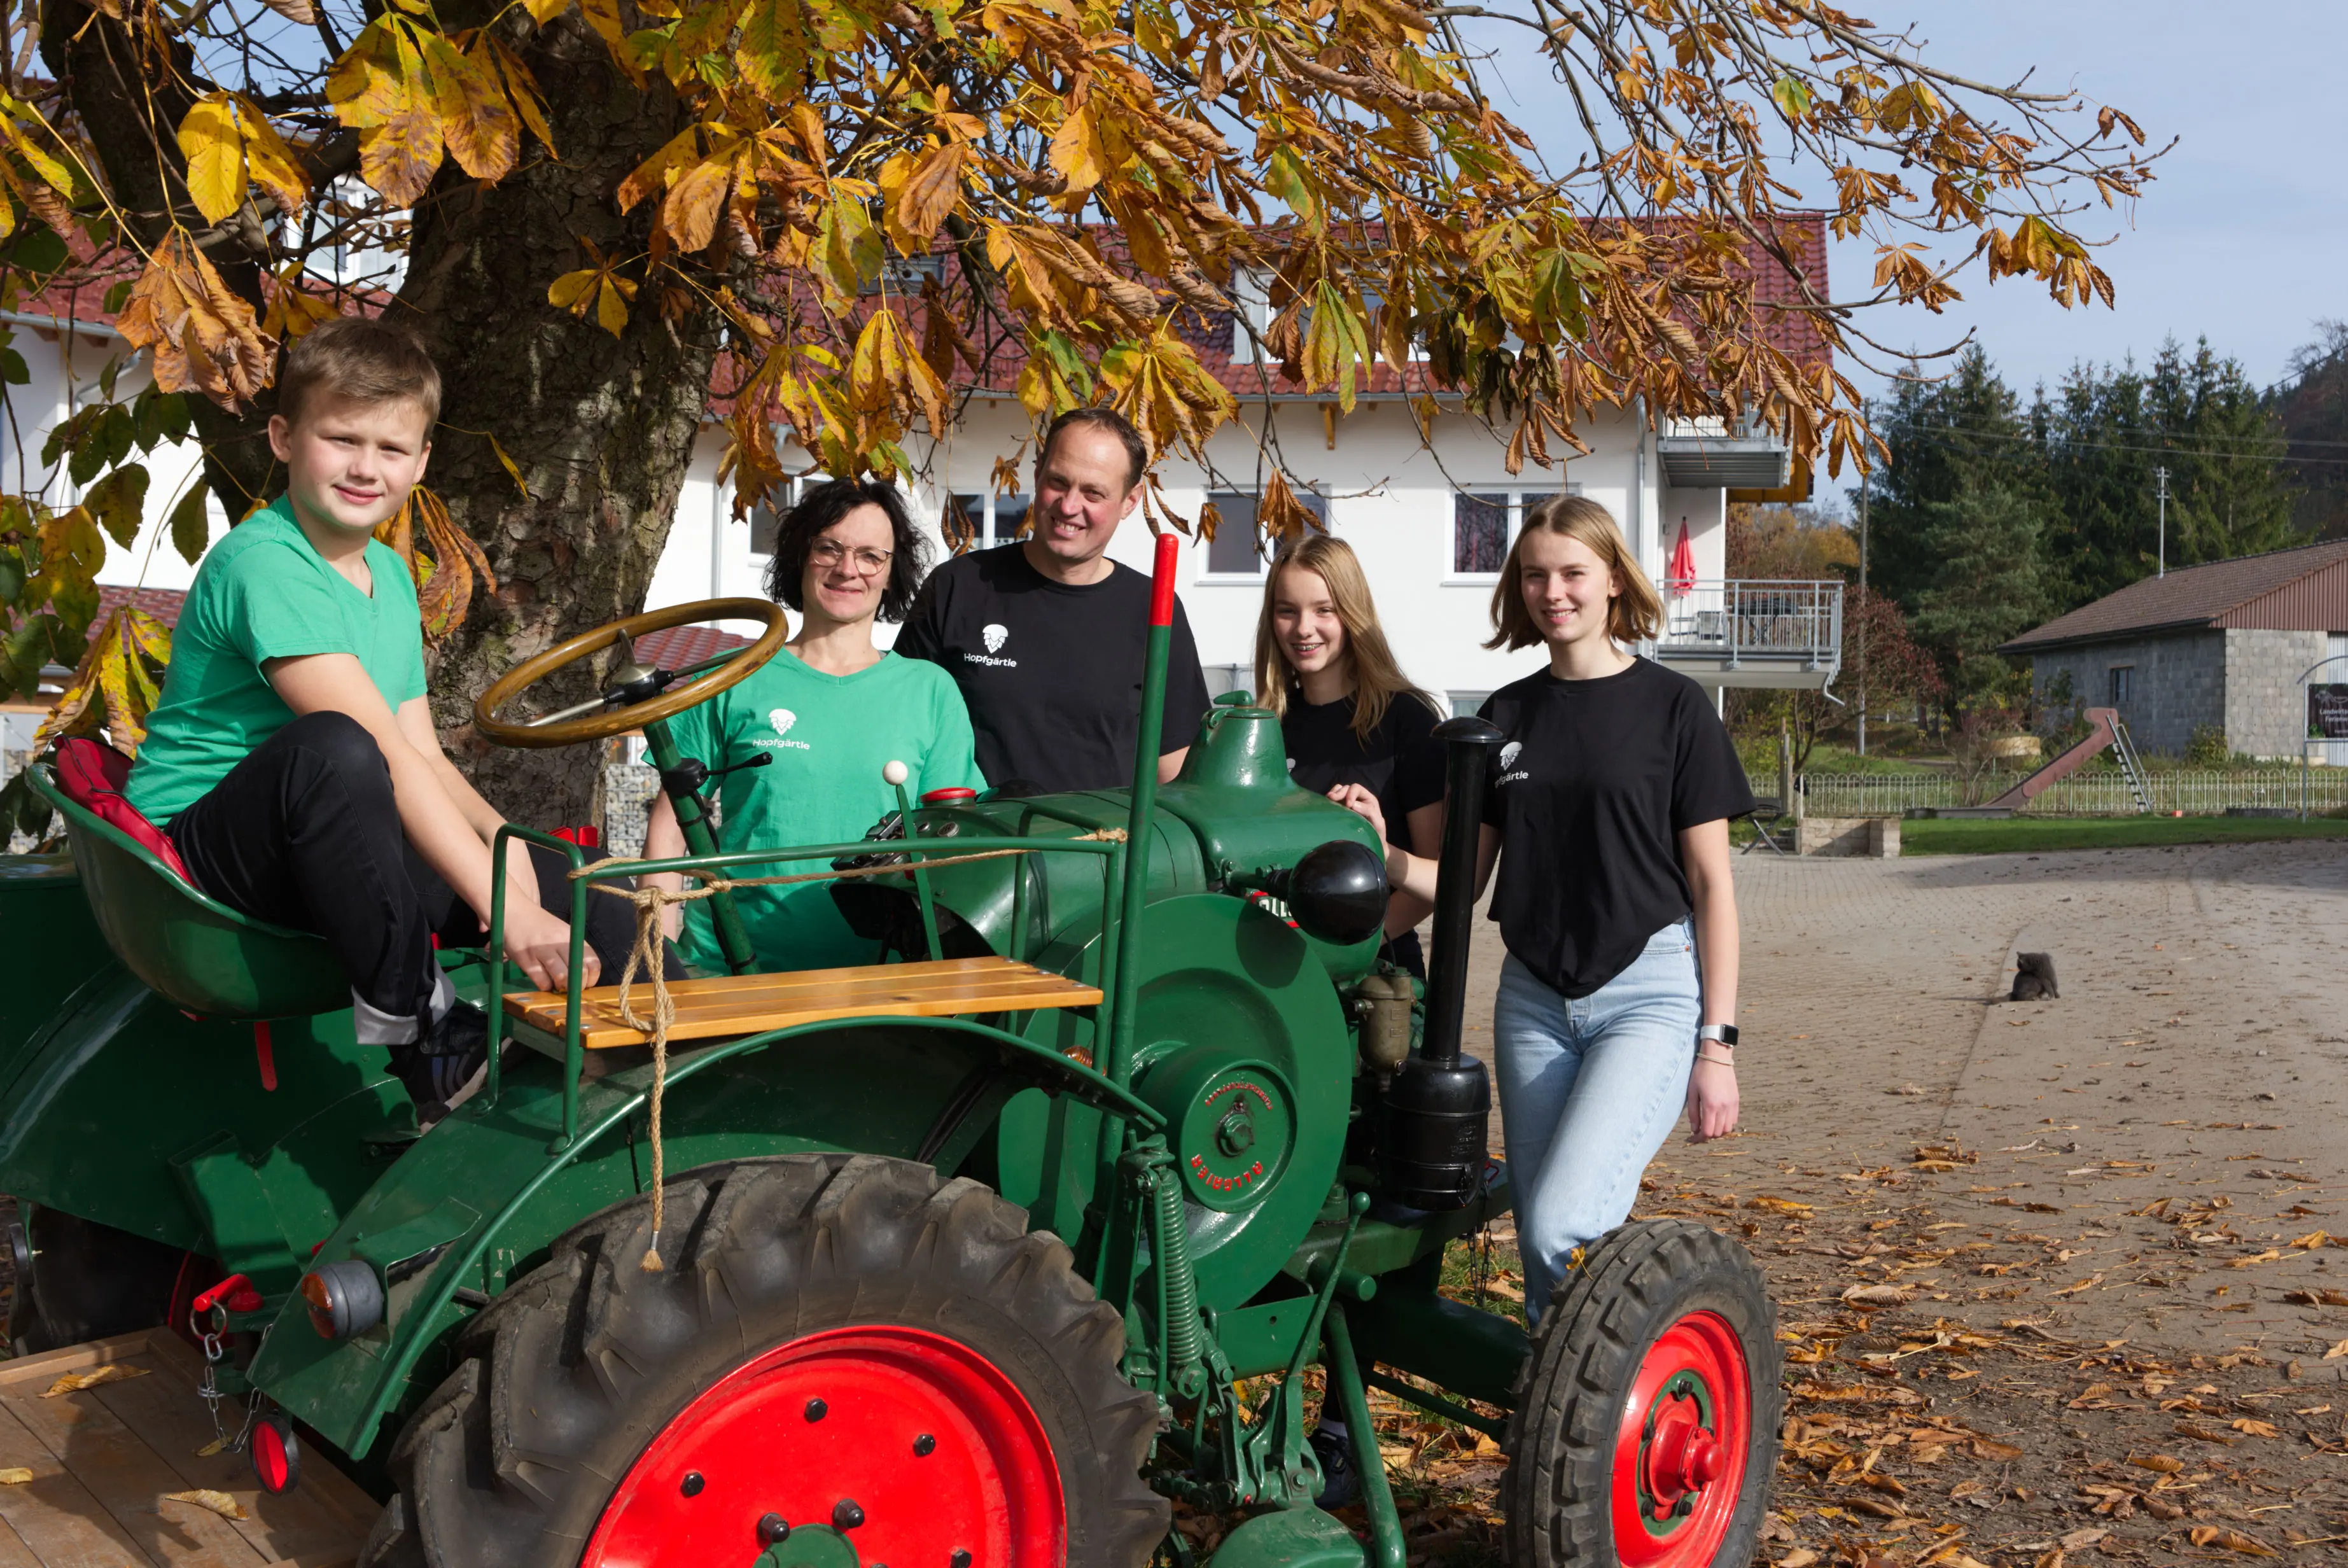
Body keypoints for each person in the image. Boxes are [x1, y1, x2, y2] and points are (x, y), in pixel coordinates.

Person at [126, 316, 655, 1124]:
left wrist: (509, 853)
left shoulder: (387, 573)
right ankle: (424, 1035)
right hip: (206, 854)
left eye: (392, 448)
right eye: (342, 439)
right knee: (334, 749)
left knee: (588, 892)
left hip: (338, 838)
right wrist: (505, 913)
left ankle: (669, 1073)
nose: (366, 468)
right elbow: (372, 752)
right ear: (282, 438)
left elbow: (424, 755)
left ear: (423, 461)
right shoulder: (267, 564)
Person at [1332, 494, 1751, 1322]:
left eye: (1571, 573)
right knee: (1543, 1239)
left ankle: (1594, 1417)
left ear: (1613, 584)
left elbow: (1713, 889)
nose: (1552, 591)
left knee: (1565, 1222)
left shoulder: (1674, 709)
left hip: (1647, 996)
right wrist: (1379, 851)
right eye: (1534, 575)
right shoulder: (1504, 716)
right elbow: (1463, 879)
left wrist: (1718, 1048)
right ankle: (1565, 1436)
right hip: (1531, 1003)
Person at [641, 479, 981, 972]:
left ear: (891, 573)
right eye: (830, 549)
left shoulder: (930, 691)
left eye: (871, 556)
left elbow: (953, 853)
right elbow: (671, 829)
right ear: (801, 555)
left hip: (880, 981)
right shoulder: (734, 677)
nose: (848, 569)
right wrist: (657, 963)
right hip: (731, 970)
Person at [894, 407, 1212, 793]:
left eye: (1094, 493)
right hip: (971, 844)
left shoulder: (1154, 609)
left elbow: (1175, 769)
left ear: (1130, 501)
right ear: (1038, 471)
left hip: (1098, 847)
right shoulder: (957, 587)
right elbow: (900, 727)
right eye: (1058, 482)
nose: (1069, 506)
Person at [1255, 534, 1444, 976]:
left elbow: (1439, 882)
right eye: (1288, 611)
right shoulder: (1263, 727)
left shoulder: (1408, 720)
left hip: (1377, 974)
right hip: (1276, 964)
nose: (1304, 628)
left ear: (1353, 614)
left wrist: (1359, 945)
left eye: (1325, 610)